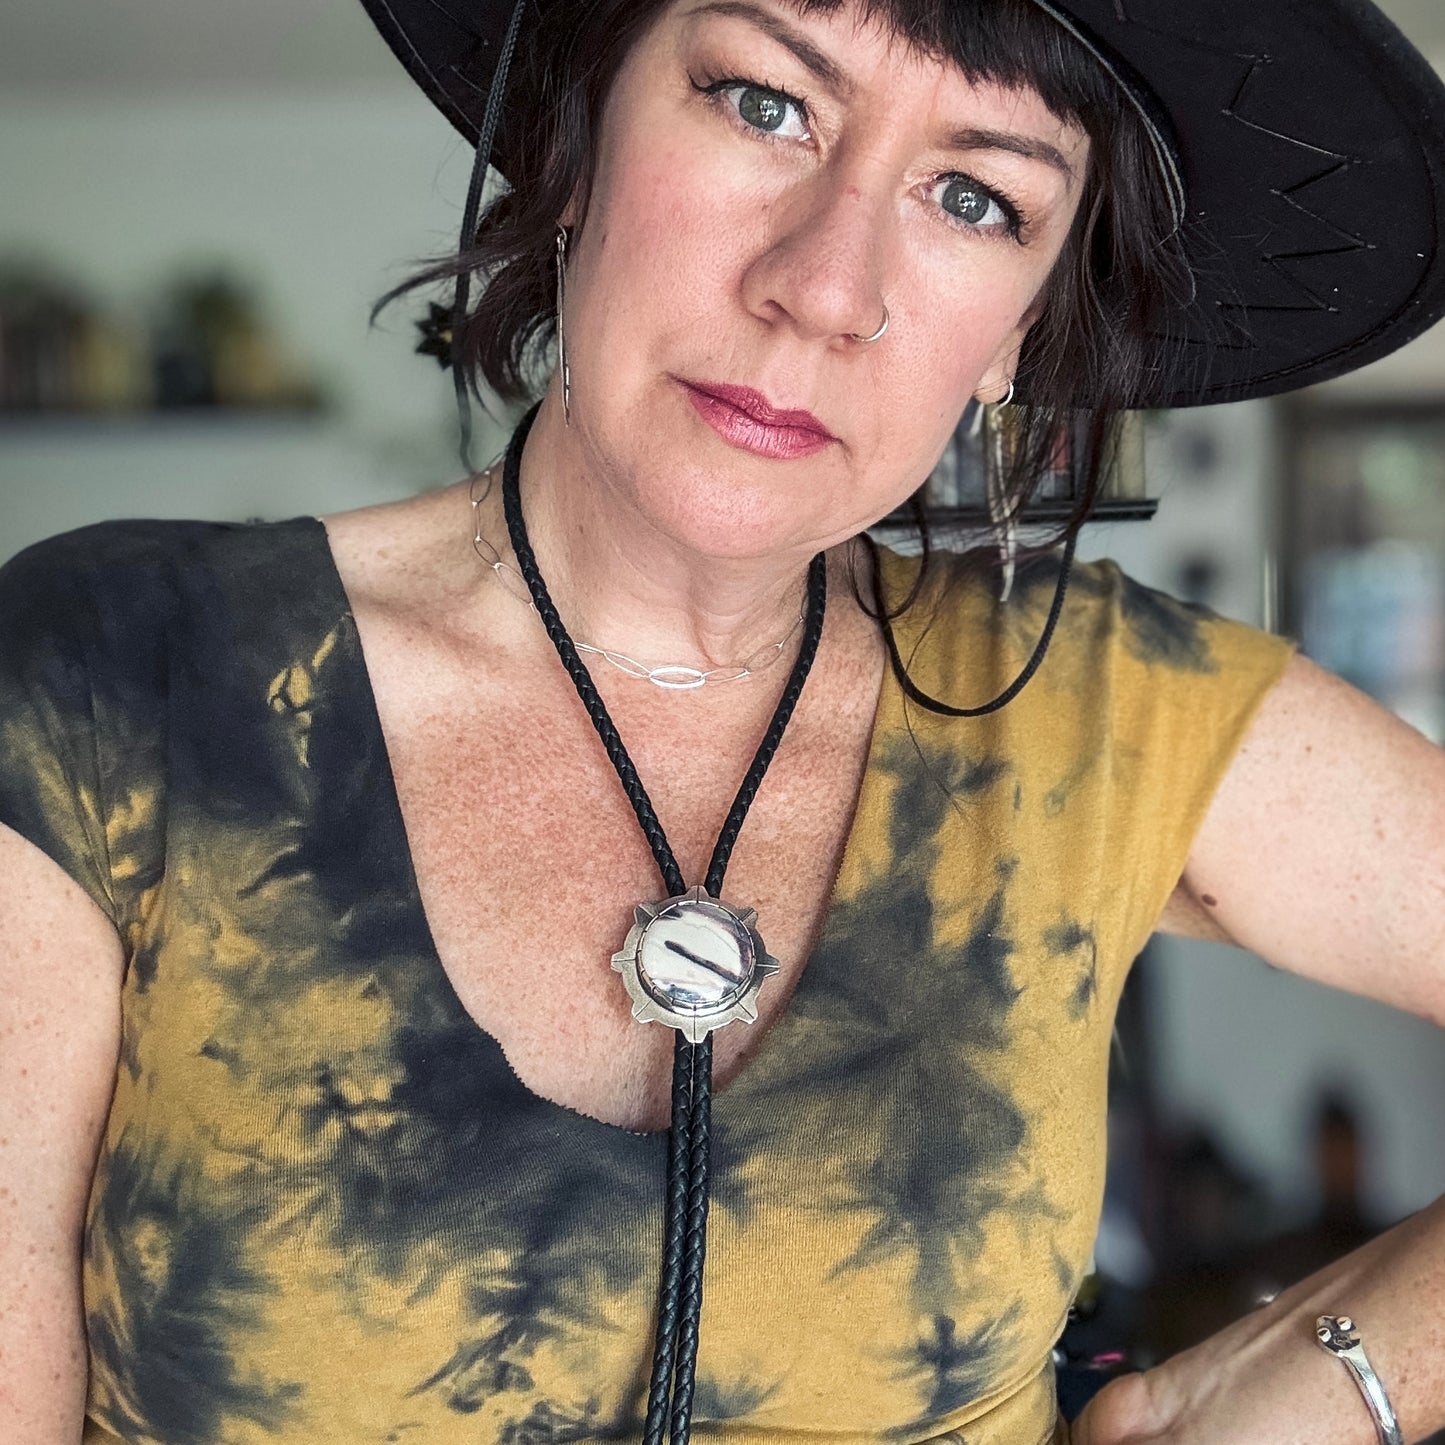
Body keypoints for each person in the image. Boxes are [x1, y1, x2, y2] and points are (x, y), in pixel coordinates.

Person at [2, 1, 1443, 1442]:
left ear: (1019, 324)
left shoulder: (1103, 711)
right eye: (763, 103)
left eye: (973, 196)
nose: (823, 284)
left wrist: (1311, 1390)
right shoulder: (122, 679)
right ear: (577, 141)